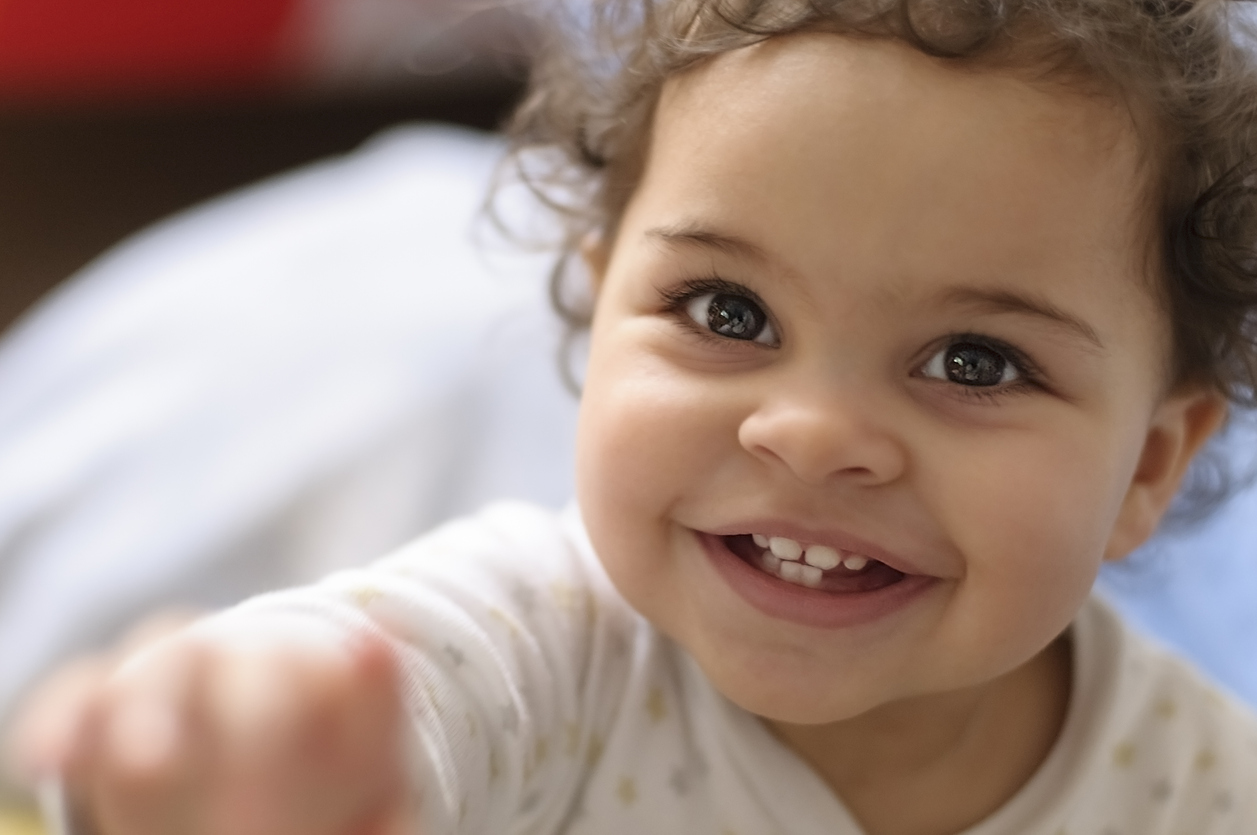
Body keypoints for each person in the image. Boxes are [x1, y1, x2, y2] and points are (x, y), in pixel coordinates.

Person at [14, 0, 1257, 832]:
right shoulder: (545, 648)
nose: (812, 433)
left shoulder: (1196, 783)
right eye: (727, 309)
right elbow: (389, 675)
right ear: (599, 305)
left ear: (1149, 464)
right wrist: (244, 732)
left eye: (976, 363)